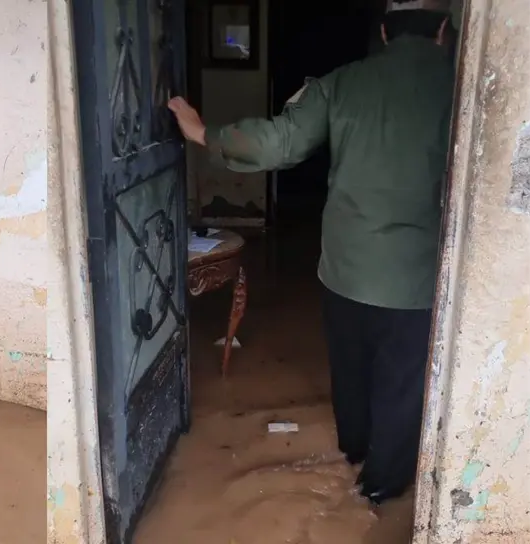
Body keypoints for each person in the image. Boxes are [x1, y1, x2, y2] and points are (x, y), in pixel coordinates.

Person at [169, 0, 455, 505]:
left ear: (384, 33)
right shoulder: (466, 87)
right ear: (443, 33)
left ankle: (351, 453)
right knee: (401, 384)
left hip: (346, 268)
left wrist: (203, 132)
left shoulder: (341, 84)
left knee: (350, 368)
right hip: (419, 276)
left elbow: (278, 142)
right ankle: (380, 495)